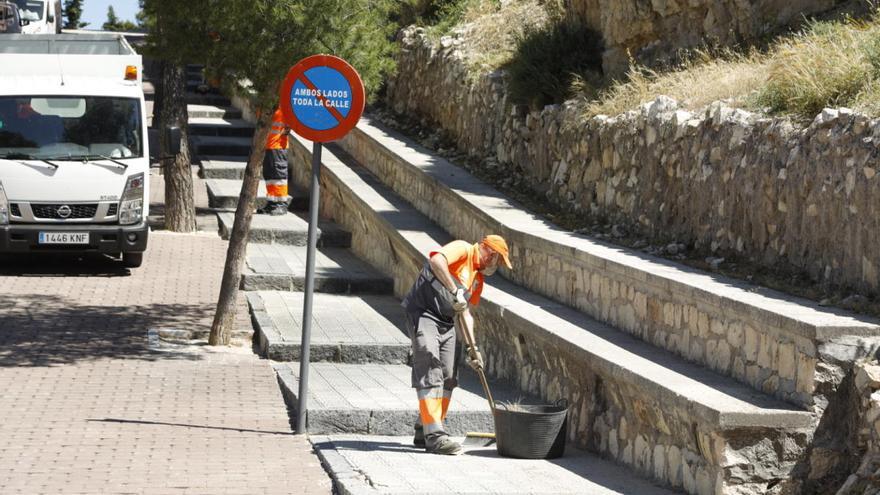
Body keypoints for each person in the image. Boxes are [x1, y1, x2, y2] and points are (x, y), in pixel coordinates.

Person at [401, 234, 513, 455]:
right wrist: (454, 291)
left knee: (449, 376)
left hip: (446, 320)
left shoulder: (477, 280)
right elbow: (436, 261)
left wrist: (473, 349)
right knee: (430, 368)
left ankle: (425, 428)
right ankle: (435, 437)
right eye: (498, 260)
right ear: (489, 253)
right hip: (423, 313)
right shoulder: (463, 249)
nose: (497, 266)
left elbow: (466, 314)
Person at [256, 108, 292, 215]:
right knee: (270, 176)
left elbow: (291, 122)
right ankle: (272, 202)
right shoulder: (269, 102)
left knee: (278, 175)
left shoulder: (283, 103)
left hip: (278, 145)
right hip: (268, 144)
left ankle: (281, 204)